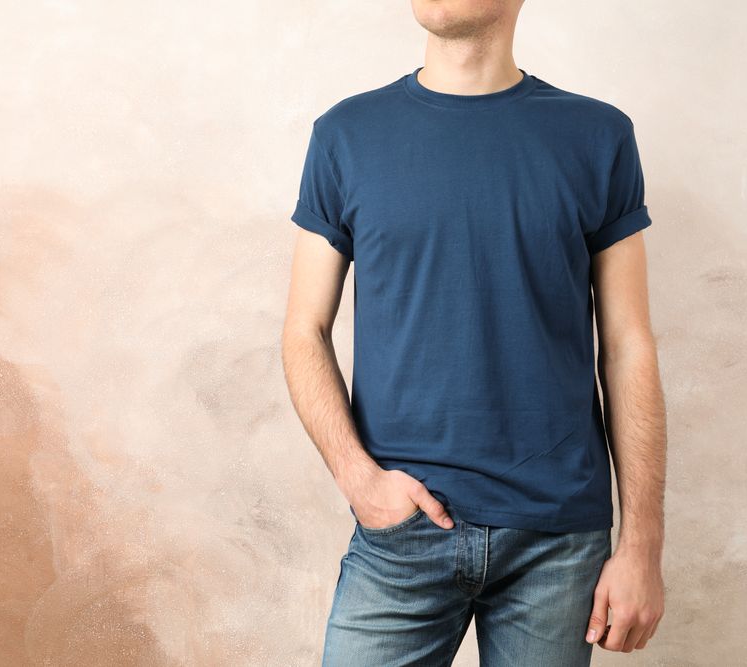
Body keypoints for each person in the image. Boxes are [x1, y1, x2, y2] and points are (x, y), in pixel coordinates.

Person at [280, 1, 667, 664]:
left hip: (557, 543)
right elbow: (302, 331)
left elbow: (629, 344)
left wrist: (642, 548)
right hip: (400, 530)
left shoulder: (597, 136)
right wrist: (359, 480)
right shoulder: (347, 134)